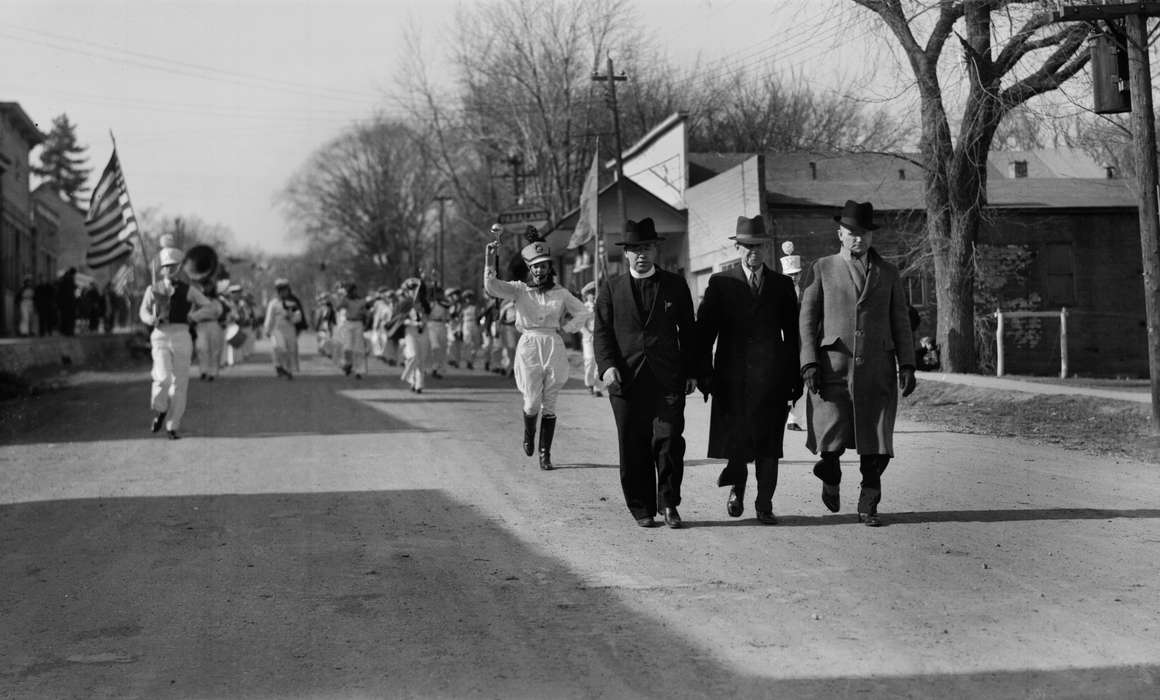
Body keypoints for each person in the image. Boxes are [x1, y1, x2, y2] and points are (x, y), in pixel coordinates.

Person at [799, 200, 917, 527]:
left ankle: (869, 500)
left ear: (870, 236)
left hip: (877, 369)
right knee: (831, 435)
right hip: (832, 368)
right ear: (840, 233)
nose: (857, 239)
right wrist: (809, 361)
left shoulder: (889, 273)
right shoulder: (822, 268)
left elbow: (901, 323)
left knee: (876, 442)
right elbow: (807, 320)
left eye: (863, 233)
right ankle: (831, 473)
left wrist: (907, 364)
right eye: (851, 232)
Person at [594, 218, 700, 529]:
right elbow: (601, 334)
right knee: (633, 445)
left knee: (668, 442)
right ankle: (641, 506)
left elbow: (689, 332)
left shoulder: (675, 285)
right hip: (626, 381)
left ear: (655, 250)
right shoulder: (610, 289)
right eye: (635, 249)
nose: (641, 254)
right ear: (625, 254)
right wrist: (608, 367)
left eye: (647, 248)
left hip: (667, 379)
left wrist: (693, 370)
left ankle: (669, 504)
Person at [696, 216, 802, 524]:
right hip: (732, 380)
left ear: (766, 249)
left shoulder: (781, 285)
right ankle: (737, 490)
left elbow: (793, 335)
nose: (753, 253)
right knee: (738, 442)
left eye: (758, 247)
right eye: (747, 247)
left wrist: (795, 377)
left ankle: (764, 503)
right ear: (737, 247)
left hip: (772, 380)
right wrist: (703, 371)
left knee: (769, 445)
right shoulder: (722, 283)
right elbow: (705, 331)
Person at [484, 232, 589, 470]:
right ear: (529, 269)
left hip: (553, 344)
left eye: (543, 266)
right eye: (535, 267)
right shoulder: (519, 290)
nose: (540, 271)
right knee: (531, 403)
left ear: (550, 267)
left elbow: (583, 311)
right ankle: (529, 433)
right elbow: (492, 287)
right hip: (529, 345)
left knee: (550, 402)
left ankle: (545, 454)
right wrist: (490, 259)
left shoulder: (561, 293)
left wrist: (567, 327)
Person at [138, 242, 211, 439]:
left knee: (180, 383)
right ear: (161, 269)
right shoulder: (153, 288)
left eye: (173, 266)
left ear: (179, 268)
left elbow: (209, 306)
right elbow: (143, 311)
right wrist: (150, 319)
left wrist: (193, 317)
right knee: (162, 378)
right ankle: (161, 409)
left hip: (181, 334)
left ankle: (172, 425)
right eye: (165, 266)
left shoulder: (188, 290)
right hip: (160, 335)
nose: (169, 269)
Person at [780, 241, 806, 432]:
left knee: (801, 379)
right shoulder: (778, 293)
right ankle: (786, 415)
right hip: (784, 343)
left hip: (802, 341)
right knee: (785, 379)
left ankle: (794, 419)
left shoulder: (804, 293)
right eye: (790, 275)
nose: (793, 278)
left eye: (796, 274)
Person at [264, 278, 306, 379]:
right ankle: (279, 367)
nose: (284, 292)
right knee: (279, 348)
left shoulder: (293, 303)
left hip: (290, 329)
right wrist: (267, 330)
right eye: (281, 291)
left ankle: (289, 370)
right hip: (277, 330)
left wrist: (291, 318)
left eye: (285, 290)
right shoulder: (273, 303)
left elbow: (299, 317)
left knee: (290, 350)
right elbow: (269, 318)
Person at [397, 277, 429, 393]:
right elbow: (401, 320)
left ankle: (418, 384)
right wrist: (414, 323)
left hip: (423, 331)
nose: (414, 291)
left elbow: (427, 315)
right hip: (410, 332)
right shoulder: (405, 303)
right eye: (411, 289)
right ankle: (408, 376)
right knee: (413, 356)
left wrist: (422, 323)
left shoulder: (424, 303)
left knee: (421, 359)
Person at [190, 282, 226, 381]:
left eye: (209, 287)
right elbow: (191, 315)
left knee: (215, 348)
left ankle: (213, 372)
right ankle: (203, 371)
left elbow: (221, 313)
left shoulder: (217, 301)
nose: (207, 289)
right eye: (205, 287)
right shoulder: (197, 302)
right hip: (201, 325)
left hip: (213, 324)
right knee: (202, 348)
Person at [337, 282, 369, 378]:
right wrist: (342, 300)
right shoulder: (346, 300)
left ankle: (359, 371)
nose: (353, 292)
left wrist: (366, 322)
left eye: (354, 290)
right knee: (347, 348)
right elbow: (338, 307)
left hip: (358, 324)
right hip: (348, 323)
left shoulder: (361, 301)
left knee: (358, 348)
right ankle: (348, 364)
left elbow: (366, 312)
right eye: (351, 291)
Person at [579, 281, 604, 397]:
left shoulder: (602, 305)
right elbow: (580, 324)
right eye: (591, 293)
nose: (593, 295)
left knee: (600, 363)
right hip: (588, 338)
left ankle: (597, 388)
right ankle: (589, 383)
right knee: (590, 361)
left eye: (595, 292)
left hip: (600, 337)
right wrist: (588, 333)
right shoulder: (584, 308)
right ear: (586, 295)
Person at [426, 287, 450, 379]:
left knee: (442, 348)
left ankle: (436, 369)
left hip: (442, 325)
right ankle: (428, 366)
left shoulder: (445, 304)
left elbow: (448, 316)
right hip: (431, 325)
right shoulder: (430, 304)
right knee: (435, 347)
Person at [460, 290, 482, 370]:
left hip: (474, 323)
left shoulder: (475, 307)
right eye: (466, 298)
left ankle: (471, 360)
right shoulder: (463, 307)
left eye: (469, 298)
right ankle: (468, 361)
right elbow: (460, 318)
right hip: (466, 324)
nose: (468, 299)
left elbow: (478, 317)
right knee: (467, 343)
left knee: (475, 344)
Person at [57, 268, 78, 336]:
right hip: (69, 302)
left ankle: (65, 331)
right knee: (70, 318)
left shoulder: (63, 279)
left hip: (64, 303)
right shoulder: (69, 279)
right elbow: (70, 291)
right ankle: (69, 331)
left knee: (65, 317)